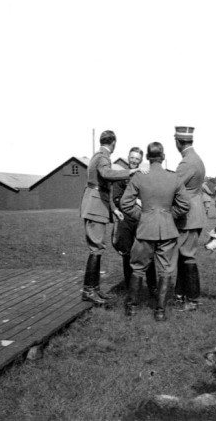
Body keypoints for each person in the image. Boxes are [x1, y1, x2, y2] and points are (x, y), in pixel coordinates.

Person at [120, 142, 190, 321]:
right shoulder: (173, 178)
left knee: (137, 267)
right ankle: (160, 311)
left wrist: (143, 216)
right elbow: (184, 205)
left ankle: (132, 308)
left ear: (147, 159)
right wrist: (167, 216)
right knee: (166, 270)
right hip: (168, 230)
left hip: (145, 229)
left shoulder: (139, 177)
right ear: (163, 157)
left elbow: (125, 204)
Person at [80, 130, 148, 305]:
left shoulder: (98, 155)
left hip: (97, 204)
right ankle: (89, 290)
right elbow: (105, 174)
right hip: (95, 206)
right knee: (96, 248)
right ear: (113, 143)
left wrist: (112, 208)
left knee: (98, 248)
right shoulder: (103, 156)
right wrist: (130, 172)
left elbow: (103, 188)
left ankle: (94, 289)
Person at [111, 147, 157, 297]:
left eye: (137, 159)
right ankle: (130, 287)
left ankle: (153, 287)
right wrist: (135, 201)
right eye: (132, 158)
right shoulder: (121, 176)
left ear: (141, 160)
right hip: (126, 220)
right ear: (128, 157)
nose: (134, 161)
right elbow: (116, 198)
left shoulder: (143, 175)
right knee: (127, 254)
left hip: (142, 220)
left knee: (147, 253)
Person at [173, 126, 207, 311]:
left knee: (187, 256)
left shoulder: (187, 163)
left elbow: (173, 186)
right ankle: (181, 295)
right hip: (196, 214)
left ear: (177, 141)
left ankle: (192, 300)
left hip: (188, 216)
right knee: (183, 255)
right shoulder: (196, 159)